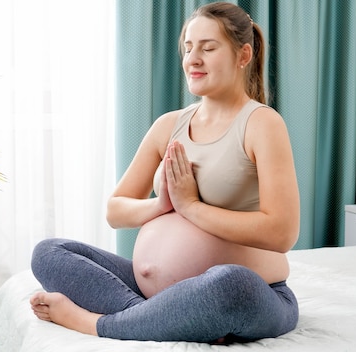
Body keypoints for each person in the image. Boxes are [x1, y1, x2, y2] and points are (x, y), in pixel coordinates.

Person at [30, 1, 300, 344]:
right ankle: (162, 316)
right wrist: (162, 206)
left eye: (208, 48)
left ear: (243, 55)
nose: (193, 59)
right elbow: (116, 210)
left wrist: (191, 207)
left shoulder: (262, 124)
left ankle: (93, 323)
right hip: (150, 290)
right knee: (49, 252)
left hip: (252, 291)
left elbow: (282, 233)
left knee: (229, 285)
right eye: (188, 48)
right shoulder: (169, 125)